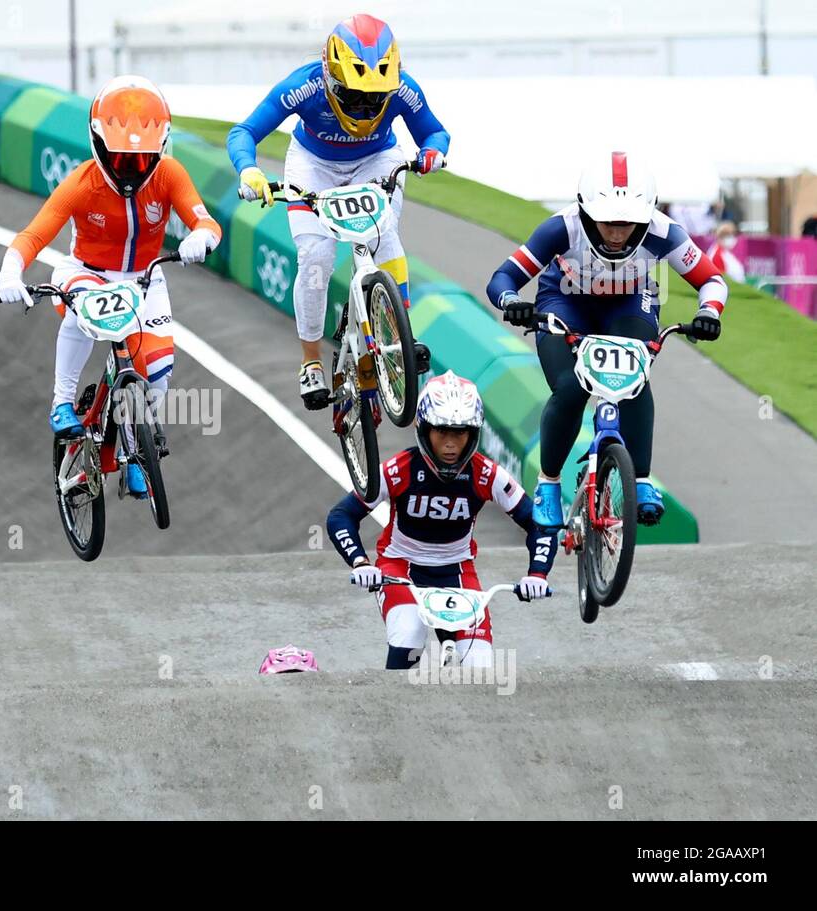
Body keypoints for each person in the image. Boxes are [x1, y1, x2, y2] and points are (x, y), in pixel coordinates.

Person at [0, 75, 222, 495]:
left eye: (140, 160)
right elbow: (34, 235)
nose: (130, 170)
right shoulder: (82, 182)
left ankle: (135, 450)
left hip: (145, 278)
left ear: (161, 149)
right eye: (119, 158)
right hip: (86, 272)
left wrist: (200, 238)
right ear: (98, 145)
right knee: (81, 310)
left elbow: (207, 222)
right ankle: (62, 401)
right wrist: (10, 273)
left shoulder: (170, 173)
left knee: (157, 377)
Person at [487, 152, 727, 528]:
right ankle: (548, 484)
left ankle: (642, 479)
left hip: (629, 304)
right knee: (570, 388)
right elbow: (502, 278)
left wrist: (709, 313)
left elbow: (711, 280)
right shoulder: (561, 228)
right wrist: (513, 301)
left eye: (628, 224)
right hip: (565, 301)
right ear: (585, 212)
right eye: (607, 222)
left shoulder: (664, 231)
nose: (616, 233)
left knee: (633, 379)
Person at [227, 13, 449, 410]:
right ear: (330, 79)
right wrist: (250, 171)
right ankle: (310, 361)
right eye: (355, 97)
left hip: (377, 161)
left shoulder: (403, 89)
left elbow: (435, 131)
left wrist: (433, 153)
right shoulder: (303, 86)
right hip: (313, 166)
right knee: (317, 257)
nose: (364, 111)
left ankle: (400, 333)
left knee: (380, 232)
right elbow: (243, 132)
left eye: (375, 99)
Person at [327, 372, 557, 669]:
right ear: (424, 431)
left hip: (458, 573)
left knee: (480, 666)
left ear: (473, 434)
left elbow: (538, 523)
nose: (450, 444)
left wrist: (537, 574)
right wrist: (361, 563)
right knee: (408, 636)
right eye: (441, 432)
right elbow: (341, 515)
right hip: (400, 568)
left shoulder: (486, 474)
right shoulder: (399, 470)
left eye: (459, 433)